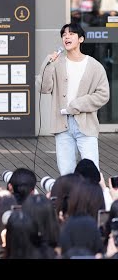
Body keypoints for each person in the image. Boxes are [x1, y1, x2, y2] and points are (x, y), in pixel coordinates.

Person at [38, 22, 109, 175]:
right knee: (66, 171)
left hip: (86, 123)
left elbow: (103, 95)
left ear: (81, 39)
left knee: (92, 170)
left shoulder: (94, 66)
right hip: (62, 123)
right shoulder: (56, 64)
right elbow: (44, 88)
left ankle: (92, 198)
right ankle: (69, 198)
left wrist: (78, 104)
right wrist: (48, 63)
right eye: (64, 35)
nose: (66, 37)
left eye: (71, 34)